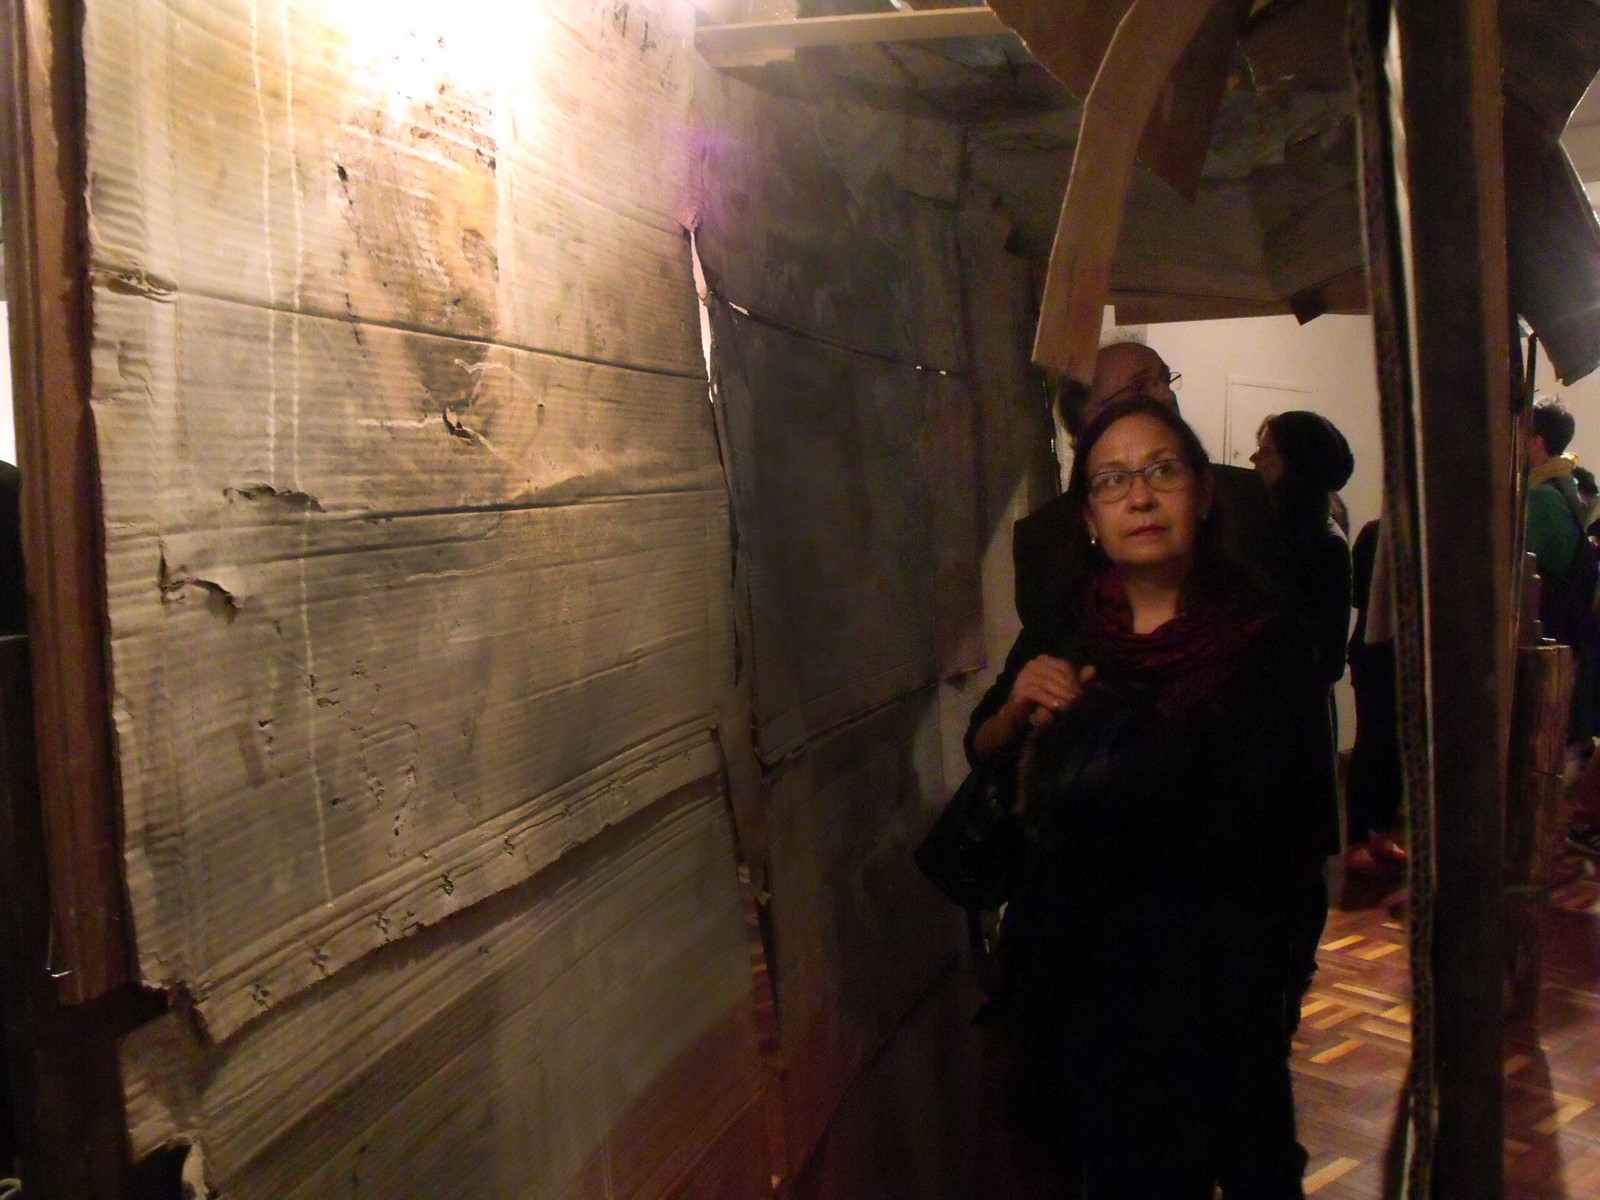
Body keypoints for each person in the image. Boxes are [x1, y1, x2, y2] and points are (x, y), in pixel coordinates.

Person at [967, 396, 1335, 1198]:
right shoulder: (1070, 629)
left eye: (1162, 471)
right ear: (1090, 518)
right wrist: (1016, 711)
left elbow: (1297, 835)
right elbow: (981, 747)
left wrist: (1276, 984)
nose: (1139, 496)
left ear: (1203, 494)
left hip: (1212, 986)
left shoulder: (1266, 643)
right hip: (1078, 977)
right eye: (1111, 480)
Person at [1013, 340, 1275, 634]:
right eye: (1140, 386)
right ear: (1088, 418)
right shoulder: (1043, 537)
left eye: (1165, 379)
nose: (1166, 394)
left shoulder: (1242, 494)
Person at [1251, 412, 1354, 692]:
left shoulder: (1328, 545)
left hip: (1293, 704)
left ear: (1296, 462)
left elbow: (1329, 660)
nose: (1254, 459)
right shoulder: (1263, 528)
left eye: (1267, 451)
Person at [1524, 397, 1597, 744]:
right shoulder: (1566, 487)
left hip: (1543, 637)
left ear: (1537, 442)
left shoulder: (1541, 498)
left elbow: (1513, 569)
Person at [1343, 519, 1406, 872]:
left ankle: (1380, 829)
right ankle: (1358, 837)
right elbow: (1361, 597)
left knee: (1397, 744)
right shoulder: (1376, 534)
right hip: (1376, 651)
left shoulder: (1381, 533)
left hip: (1391, 649)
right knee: (1371, 741)